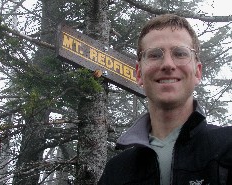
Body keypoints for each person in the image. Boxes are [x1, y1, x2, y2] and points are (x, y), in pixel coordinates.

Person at [98, 14, 232, 185]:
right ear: (139, 74)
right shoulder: (115, 173)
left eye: (180, 53)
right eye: (154, 55)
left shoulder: (228, 147)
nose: (168, 64)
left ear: (198, 72)